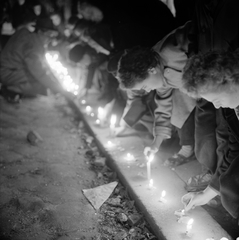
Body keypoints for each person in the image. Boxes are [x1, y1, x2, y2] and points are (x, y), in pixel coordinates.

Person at [116, 22, 197, 163]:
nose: (147, 90)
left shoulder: (173, 51)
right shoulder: (159, 74)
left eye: (145, 85)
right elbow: (163, 107)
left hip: (216, 83)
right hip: (199, 91)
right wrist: (156, 144)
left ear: (151, 70)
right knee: (179, 109)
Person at [181, 49, 239, 221]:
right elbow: (234, 148)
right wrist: (207, 194)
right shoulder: (232, 110)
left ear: (230, 82)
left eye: (216, 99)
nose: (215, 106)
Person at [0, 17, 72, 103]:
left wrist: (55, 81)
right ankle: (10, 90)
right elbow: (38, 71)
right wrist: (58, 89)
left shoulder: (26, 34)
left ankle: (12, 87)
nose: (50, 38)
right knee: (39, 84)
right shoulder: (34, 43)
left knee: (43, 82)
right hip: (7, 72)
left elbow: (41, 65)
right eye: (49, 35)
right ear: (41, 32)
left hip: (7, 69)